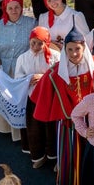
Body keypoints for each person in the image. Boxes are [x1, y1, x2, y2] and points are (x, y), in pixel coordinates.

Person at [30, 29, 94, 185]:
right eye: (70, 49)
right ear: (65, 49)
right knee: (71, 155)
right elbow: (41, 96)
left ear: (84, 48)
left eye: (78, 49)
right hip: (69, 125)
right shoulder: (55, 72)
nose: (74, 54)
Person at [0, 0, 37, 142]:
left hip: (23, 70)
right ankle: (7, 130)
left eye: (17, 7)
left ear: (21, 8)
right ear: (5, 9)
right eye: (10, 8)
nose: (14, 10)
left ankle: (23, 133)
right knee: (6, 101)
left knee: (22, 102)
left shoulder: (32, 23)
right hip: (4, 70)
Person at [14, 26, 60, 169]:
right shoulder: (22, 58)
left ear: (46, 42)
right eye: (33, 42)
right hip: (31, 99)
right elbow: (17, 78)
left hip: (50, 99)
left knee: (51, 128)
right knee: (35, 128)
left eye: (40, 43)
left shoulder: (55, 56)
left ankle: (55, 155)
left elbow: (60, 75)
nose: (36, 46)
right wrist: (28, 79)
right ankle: (38, 155)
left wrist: (44, 78)